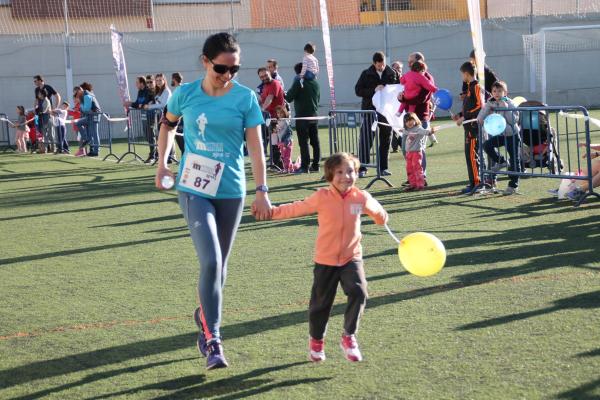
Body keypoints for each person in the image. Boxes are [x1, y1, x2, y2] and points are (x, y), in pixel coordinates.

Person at [154, 32, 271, 370]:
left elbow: (256, 148)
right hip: (194, 187)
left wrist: (262, 190)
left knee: (220, 268)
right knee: (210, 262)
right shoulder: (185, 95)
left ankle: (204, 313)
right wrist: (163, 163)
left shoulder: (246, 99)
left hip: (231, 190)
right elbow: (167, 127)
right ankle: (213, 339)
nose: (228, 75)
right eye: (222, 68)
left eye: (235, 69)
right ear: (205, 61)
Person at [269, 152, 388, 363]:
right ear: (330, 176)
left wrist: (381, 216)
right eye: (340, 172)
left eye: (350, 171)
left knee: (359, 292)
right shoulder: (321, 197)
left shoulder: (360, 197)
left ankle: (349, 336)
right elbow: (297, 207)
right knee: (321, 304)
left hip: (352, 257)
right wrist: (272, 212)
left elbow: (378, 212)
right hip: (325, 260)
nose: (346, 177)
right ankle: (316, 342)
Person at [355, 51, 399, 177]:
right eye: (379, 65)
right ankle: (362, 168)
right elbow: (358, 90)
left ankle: (383, 168)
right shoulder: (366, 74)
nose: (382, 67)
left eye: (383, 64)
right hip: (370, 110)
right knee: (366, 139)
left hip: (386, 112)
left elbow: (398, 88)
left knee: (386, 139)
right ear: (374, 63)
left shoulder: (393, 73)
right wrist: (373, 90)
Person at [478, 81, 521, 195]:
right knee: (487, 145)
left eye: (500, 91)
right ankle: (501, 161)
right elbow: (483, 111)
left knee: (514, 160)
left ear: (505, 92)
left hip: (512, 134)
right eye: (494, 91)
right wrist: (480, 119)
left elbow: (514, 120)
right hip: (500, 134)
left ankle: (513, 185)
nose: (496, 93)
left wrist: (505, 108)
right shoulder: (491, 102)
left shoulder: (510, 103)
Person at [398, 52, 436, 185]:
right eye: (408, 61)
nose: (408, 64)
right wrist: (401, 97)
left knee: (419, 149)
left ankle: (421, 177)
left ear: (419, 61)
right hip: (409, 120)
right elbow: (406, 91)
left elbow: (422, 98)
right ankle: (413, 177)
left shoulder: (427, 77)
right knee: (405, 148)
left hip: (421, 118)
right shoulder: (409, 76)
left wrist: (405, 98)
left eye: (411, 61)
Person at [453, 61, 484, 194]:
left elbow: (479, 106)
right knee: (469, 154)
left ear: (466, 74)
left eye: (462, 74)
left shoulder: (476, 86)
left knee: (472, 154)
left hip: (473, 127)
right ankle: (473, 182)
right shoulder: (469, 87)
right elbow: (469, 106)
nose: (462, 77)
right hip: (468, 126)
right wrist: (459, 115)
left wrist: (465, 118)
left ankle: (477, 183)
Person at [286, 62, 321, 173]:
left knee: (303, 142)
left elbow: (289, 98)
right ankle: (316, 165)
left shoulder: (299, 81)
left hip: (302, 116)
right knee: (315, 142)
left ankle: (304, 166)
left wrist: (284, 93)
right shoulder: (315, 82)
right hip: (314, 115)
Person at [258, 67, 285, 168]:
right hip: (270, 118)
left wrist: (261, 110)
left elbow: (269, 99)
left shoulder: (274, 83)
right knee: (272, 140)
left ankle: (278, 164)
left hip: (277, 117)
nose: (264, 77)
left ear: (269, 73)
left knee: (276, 141)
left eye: (265, 75)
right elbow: (262, 99)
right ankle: (276, 163)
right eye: (261, 76)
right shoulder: (265, 86)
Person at [402, 113, 437, 191]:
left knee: (417, 168)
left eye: (411, 120)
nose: (409, 122)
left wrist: (431, 131)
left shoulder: (418, 129)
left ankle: (420, 185)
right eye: (406, 121)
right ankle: (413, 184)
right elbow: (406, 132)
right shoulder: (407, 130)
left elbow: (426, 132)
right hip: (409, 153)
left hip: (416, 153)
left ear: (415, 120)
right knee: (409, 169)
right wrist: (402, 130)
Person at [145, 73, 172, 163]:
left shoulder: (166, 91)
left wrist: (150, 106)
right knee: (162, 137)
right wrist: (150, 103)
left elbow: (163, 105)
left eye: (160, 80)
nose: (159, 82)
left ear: (164, 81)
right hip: (161, 117)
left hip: (168, 117)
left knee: (167, 137)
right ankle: (163, 156)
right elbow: (157, 103)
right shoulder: (158, 91)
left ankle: (170, 156)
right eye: (157, 80)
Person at [77, 83, 102, 157]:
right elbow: (85, 109)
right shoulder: (85, 95)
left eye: (79, 89)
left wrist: (80, 105)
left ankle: (96, 151)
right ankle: (87, 139)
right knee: (79, 123)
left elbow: (86, 109)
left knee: (94, 133)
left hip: (94, 115)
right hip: (89, 115)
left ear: (83, 89)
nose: (78, 92)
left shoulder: (87, 96)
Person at [272, 105, 298, 173]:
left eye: (281, 113)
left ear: (284, 113)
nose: (279, 114)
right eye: (278, 113)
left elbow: (289, 132)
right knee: (283, 157)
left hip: (287, 142)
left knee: (287, 157)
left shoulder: (286, 121)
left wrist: (286, 141)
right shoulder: (278, 121)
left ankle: (288, 169)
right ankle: (286, 168)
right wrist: (276, 130)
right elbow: (279, 131)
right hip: (281, 142)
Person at [171, 72, 185, 155]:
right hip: (179, 118)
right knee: (179, 140)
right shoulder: (179, 89)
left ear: (174, 79)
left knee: (181, 141)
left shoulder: (179, 90)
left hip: (181, 119)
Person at [36, 88, 53, 153]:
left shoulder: (46, 100)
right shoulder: (41, 101)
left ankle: (53, 148)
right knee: (45, 135)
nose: (38, 95)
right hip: (43, 119)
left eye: (39, 93)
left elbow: (46, 109)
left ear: (42, 94)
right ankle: (45, 149)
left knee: (50, 135)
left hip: (48, 119)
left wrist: (42, 112)